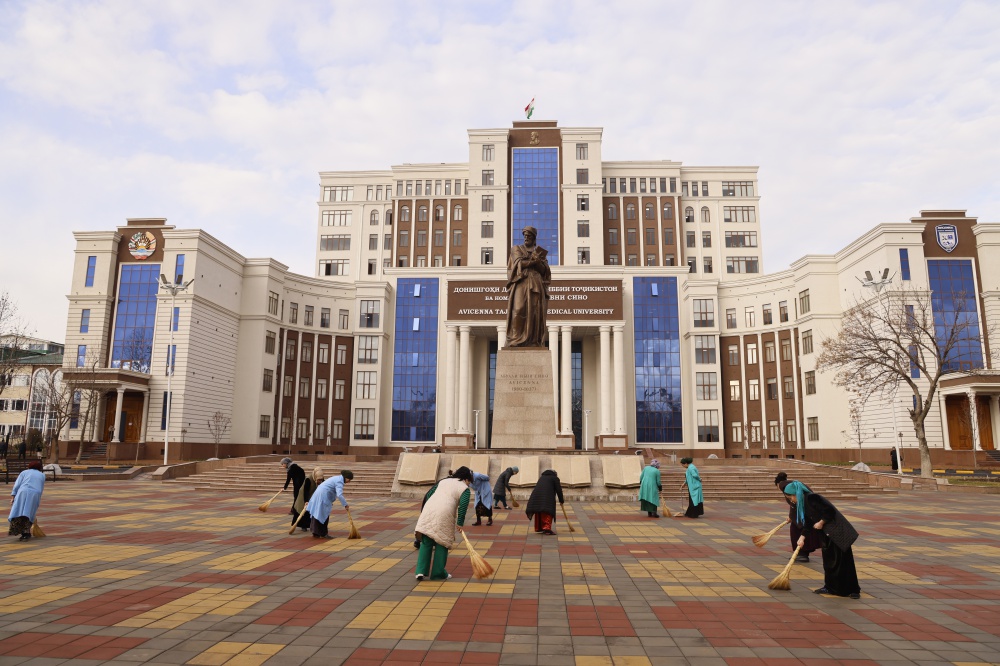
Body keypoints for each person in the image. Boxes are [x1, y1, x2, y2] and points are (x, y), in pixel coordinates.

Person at [782, 480, 861, 599]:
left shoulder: (812, 498)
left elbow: (829, 511)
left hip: (838, 533)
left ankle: (853, 589)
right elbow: (808, 522)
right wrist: (802, 538)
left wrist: (821, 522)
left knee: (844, 561)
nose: (791, 501)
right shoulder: (802, 503)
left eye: (791, 497)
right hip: (827, 535)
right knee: (829, 562)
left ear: (796, 493)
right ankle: (830, 587)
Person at [413, 467, 473, 580]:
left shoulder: (443, 481)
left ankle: (420, 571)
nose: (469, 484)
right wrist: (460, 523)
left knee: (426, 540)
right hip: (445, 513)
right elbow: (463, 506)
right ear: (466, 479)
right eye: (469, 481)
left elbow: (429, 494)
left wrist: (428, 508)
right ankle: (438, 573)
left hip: (429, 509)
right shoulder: (464, 489)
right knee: (442, 542)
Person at [505, 226, 551, 347]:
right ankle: (515, 339)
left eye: (529, 236)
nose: (526, 237)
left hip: (536, 283)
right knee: (518, 309)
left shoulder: (539, 253)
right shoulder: (517, 249)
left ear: (534, 238)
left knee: (535, 312)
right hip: (521, 282)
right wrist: (534, 261)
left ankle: (533, 340)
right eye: (525, 235)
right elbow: (519, 264)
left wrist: (539, 262)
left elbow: (544, 271)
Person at [774, 472, 821, 562]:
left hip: (804, 513)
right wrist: (791, 516)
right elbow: (794, 503)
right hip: (803, 512)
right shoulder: (792, 484)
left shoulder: (784, 486)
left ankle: (802, 554)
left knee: (798, 531)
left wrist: (792, 516)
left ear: (777, 484)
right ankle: (801, 553)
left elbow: (794, 503)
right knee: (799, 530)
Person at [305, 470, 353, 539]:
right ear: (346, 477)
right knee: (323, 514)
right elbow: (339, 495)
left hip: (319, 494)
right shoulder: (339, 482)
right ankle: (323, 533)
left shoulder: (337, 478)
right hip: (322, 496)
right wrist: (345, 504)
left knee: (318, 512)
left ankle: (316, 532)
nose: (349, 482)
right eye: (349, 480)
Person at [9, 460, 44, 541]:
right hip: (35, 494)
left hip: (23, 492)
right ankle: (26, 532)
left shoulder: (24, 472)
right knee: (29, 512)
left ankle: (22, 532)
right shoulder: (42, 475)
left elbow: (17, 484)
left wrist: (13, 496)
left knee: (19, 511)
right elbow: (41, 487)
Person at [526, 469, 564, 535]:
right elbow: (559, 490)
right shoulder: (555, 478)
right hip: (547, 497)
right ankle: (547, 528)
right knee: (547, 511)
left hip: (537, 497)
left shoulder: (542, 477)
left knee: (539, 511)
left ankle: (539, 528)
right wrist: (561, 500)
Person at [292, 466, 325, 531]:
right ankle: (302, 525)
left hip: (312, 495)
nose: (320, 481)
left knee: (310, 511)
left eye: (321, 480)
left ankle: (310, 525)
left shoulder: (321, 478)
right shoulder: (308, 479)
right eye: (319, 480)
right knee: (302, 510)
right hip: (304, 496)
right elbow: (305, 491)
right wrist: (306, 501)